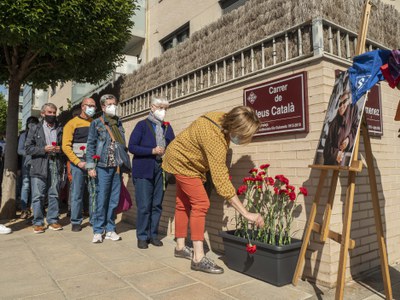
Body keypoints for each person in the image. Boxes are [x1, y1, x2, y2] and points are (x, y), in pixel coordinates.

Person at [162, 106, 264, 274]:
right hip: (183, 163)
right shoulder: (215, 139)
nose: (244, 139)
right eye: (244, 135)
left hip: (178, 155)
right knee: (201, 203)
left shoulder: (220, 118)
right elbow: (221, 181)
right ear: (236, 127)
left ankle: (180, 247)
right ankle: (198, 258)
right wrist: (246, 213)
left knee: (183, 203)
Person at [128, 97, 175, 249]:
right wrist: (152, 150)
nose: (163, 111)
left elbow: (173, 146)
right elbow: (132, 147)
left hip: (161, 169)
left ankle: (153, 235)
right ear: (152, 107)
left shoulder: (167, 127)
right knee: (144, 205)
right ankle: (142, 236)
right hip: (144, 168)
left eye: (165, 109)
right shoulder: (142, 125)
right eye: (160, 107)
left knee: (156, 204)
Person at [86, 94, 126, 243]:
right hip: (102, 166)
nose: (112, 106)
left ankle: (110, 229)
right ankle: (98, 230)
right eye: (109, 104)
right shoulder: (96, 123)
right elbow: (90, 145)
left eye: (114, 104)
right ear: (102, 107)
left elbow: (122, 144)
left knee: (113, 200)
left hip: (116, 167)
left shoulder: (118, 123)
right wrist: (91, 166)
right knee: (101, 199)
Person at [25, 103, 64, 234]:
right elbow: (28, 148)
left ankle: (53, 220)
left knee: (54, 193)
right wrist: (43, 149)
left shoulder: (60, 128)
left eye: (54, 112)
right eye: (49, 112)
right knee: (38, 195)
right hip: (39, 165)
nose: (52, 115)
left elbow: (65, 146)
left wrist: (60, 149)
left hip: (55, 163)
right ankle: (38, 222)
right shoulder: (34, 128)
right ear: (43, 114)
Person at [62, 98, 96, 232]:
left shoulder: (95, 123)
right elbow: (66, 146)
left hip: (93, 163)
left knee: (93, 192)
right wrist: (77, 162)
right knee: (77, 193)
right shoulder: (71, 124)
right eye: (90, 106)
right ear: (83, 107)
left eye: (94, 106)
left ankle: (94, 219)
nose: (92, 108)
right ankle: (76, 221)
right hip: (78, 165)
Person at [323, 90, 359, 166]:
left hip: (344, 159)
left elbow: (355, 127)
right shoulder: (334, 123)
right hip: (334, 161)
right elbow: (326, 148)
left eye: (344, 101)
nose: (342, 106)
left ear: (349, 101)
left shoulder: (353, 110)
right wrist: (336, 154)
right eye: (340, 104)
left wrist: (348, 139)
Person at [17, 116, 39, 219]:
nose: (32, 125)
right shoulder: (23, 135)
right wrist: (31, 152)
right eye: (30, 123)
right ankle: (24, 209)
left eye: (34, 123)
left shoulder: (40, 134)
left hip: (38, 164)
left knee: (36, 187)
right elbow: (19, 150)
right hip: (27, 164)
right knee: (26, 185)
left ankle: (34, 208)